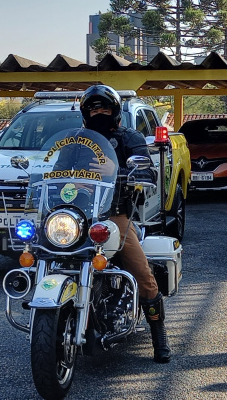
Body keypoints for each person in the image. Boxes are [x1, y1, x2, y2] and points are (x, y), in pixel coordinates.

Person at [79, 84, 171, 363]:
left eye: (104, 108)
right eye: (94, 108)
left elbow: (145, 168)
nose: (99, 112)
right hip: (79, 215)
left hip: (115, 214)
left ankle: (159, 336)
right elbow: (56, 167)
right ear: (85, 113)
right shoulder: (77, 141)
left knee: (142, 274)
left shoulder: (129, 137)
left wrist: (138, 172)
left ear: (116, 111)